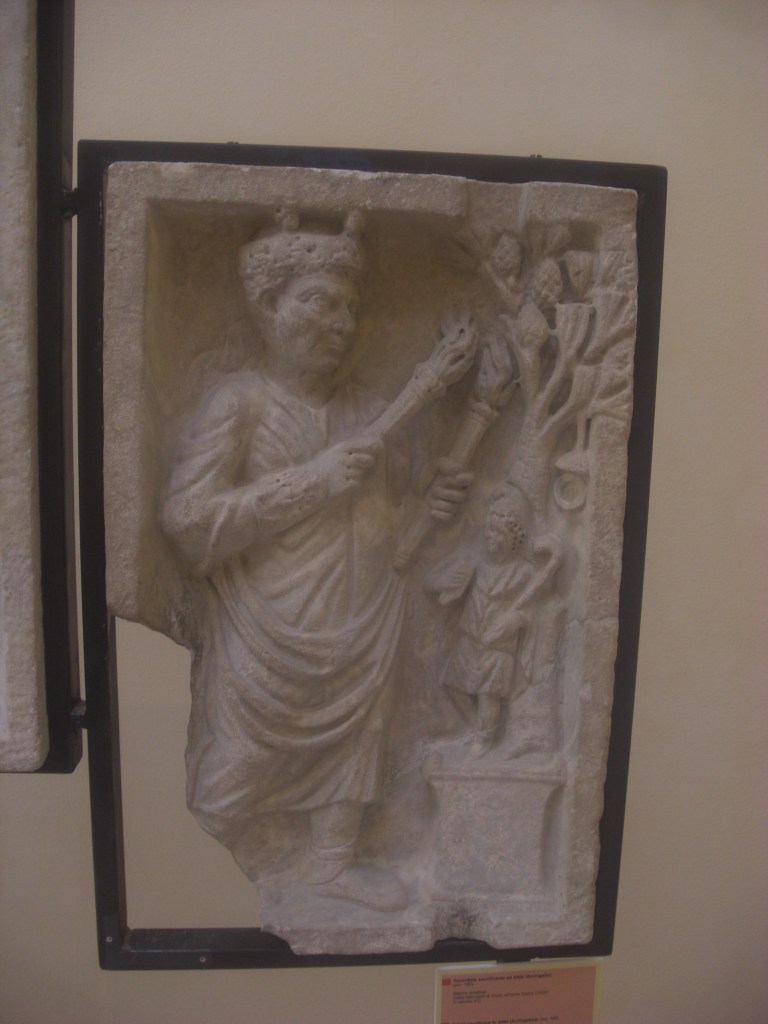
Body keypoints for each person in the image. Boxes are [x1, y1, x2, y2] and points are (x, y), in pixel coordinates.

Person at [161, 209, 475, 910]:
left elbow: (387, 531)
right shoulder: (240, 404)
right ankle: (252, 846)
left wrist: (428, 505)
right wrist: (309, 482)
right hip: (267, 635)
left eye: (350, 308)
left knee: (360, 745)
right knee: (235, 772)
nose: (341, 323)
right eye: (319, 303)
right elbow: (188, 523)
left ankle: (331, 863)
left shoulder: (368, 406)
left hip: (360, 624)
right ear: (269, 307)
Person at [426, 484, 561, 758]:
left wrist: (517, 618)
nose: (491, 538)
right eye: (489, 531)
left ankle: (485, 740)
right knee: (454, 685)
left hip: (500, 647)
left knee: (489, 695)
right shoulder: (476, 566)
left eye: (499, 533)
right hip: (470, 640)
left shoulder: (524, 573)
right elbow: (437, 587)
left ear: (514, 539)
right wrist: (446, 583)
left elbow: (538, 612)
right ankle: (474, 729)